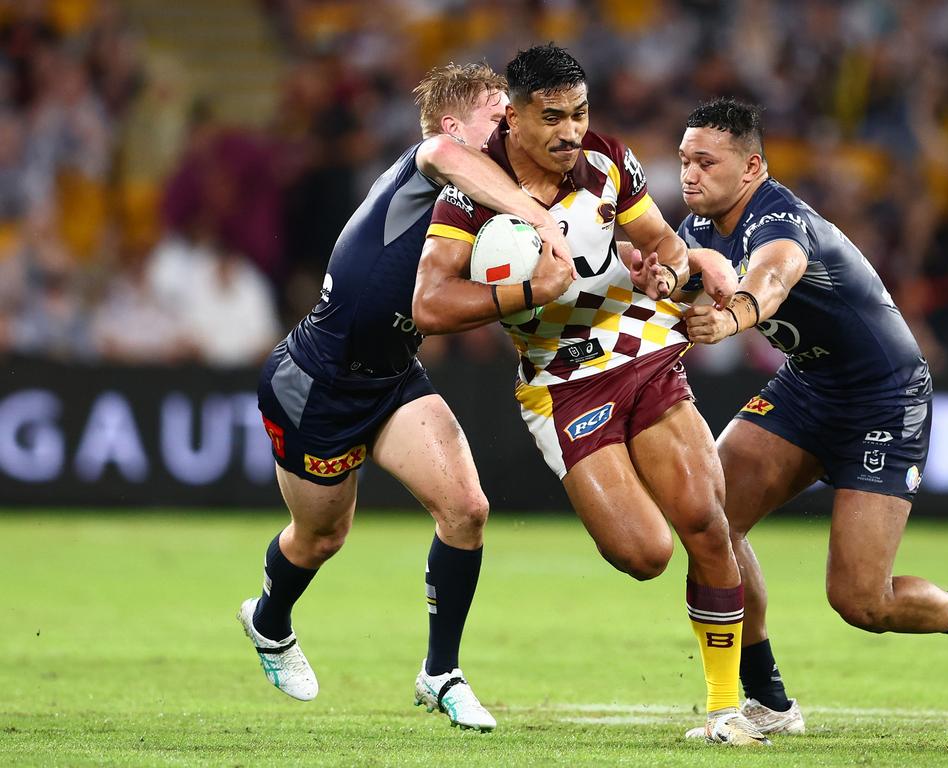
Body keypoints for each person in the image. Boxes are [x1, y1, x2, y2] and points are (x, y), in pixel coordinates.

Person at [414, 44, 770, 747]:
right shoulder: (472, 191)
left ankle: (729, 709)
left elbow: (662, 242)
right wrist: (525, 292)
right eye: (552, 117)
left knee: (705, 517)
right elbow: (429, 303)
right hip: (559, 379)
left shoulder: (608, 161)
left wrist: (670, 272)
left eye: (579, 112)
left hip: (640, 347)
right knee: (644, 555)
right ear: (511, 117)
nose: (570, 130)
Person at [239, 62, 576, 733]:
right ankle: (269, 621)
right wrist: (539, 218)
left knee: (468, 509)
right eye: (495, 115)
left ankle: (440, 672)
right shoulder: (426, 165)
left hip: (393, 377)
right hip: (318, 385)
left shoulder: (485, 202)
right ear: (456, 124)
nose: (508, 127)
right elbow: (443, 154)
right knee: (322, 536)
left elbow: (452, 303)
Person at [677, 97, 948, 735]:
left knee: (863, 600)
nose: (689, 174)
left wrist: (728, 318)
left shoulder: (778, 219)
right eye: (684, 161)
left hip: (883, 399)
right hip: (808, 385)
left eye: (706, 161)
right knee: (711, 520)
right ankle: (768, 704)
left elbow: (774, 277)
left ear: (751, 166)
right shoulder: (699, 231)